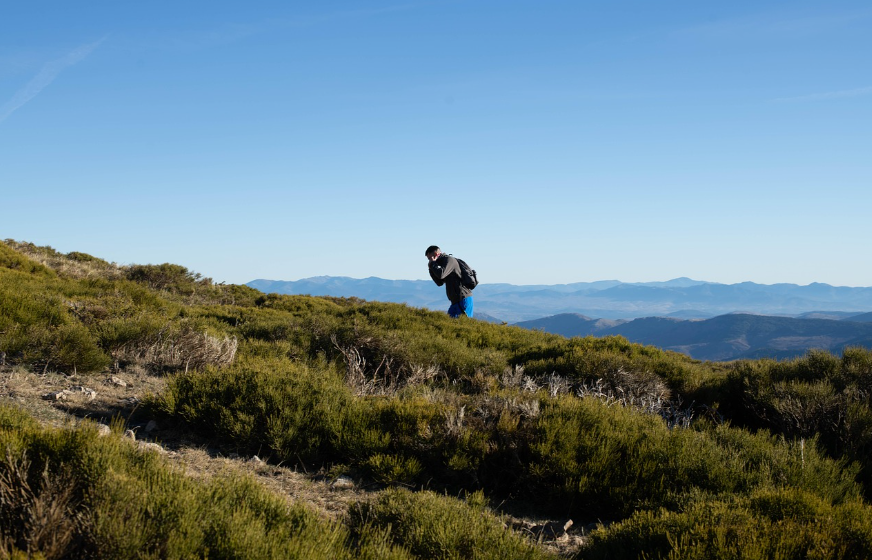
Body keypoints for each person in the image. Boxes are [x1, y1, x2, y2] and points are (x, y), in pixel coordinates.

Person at [425, 245, 474, 318]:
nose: (429, 260)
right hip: (455, 301)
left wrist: (433, 264)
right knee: (449, 324)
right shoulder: (440, 263)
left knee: (464, 325)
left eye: (430, 258)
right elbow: (439, 282)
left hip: (463, 298)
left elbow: (441, 274)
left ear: (435, 254)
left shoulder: (449, 260)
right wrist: (431, 269)